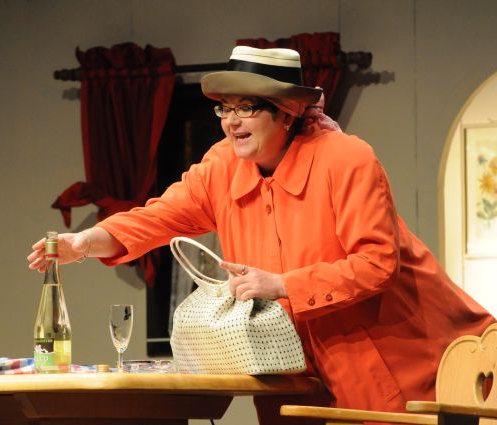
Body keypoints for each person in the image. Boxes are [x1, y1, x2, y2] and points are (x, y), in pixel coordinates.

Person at [27, 46, 495, 424]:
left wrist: (282, 284)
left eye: (247, 108)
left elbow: (377, 263)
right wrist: (85, 243)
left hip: (403, 362)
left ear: (287, 113)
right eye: (225, 108)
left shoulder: (345, 160)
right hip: (294, 376)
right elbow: (159, 217)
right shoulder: (221, 167)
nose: (231, 121)